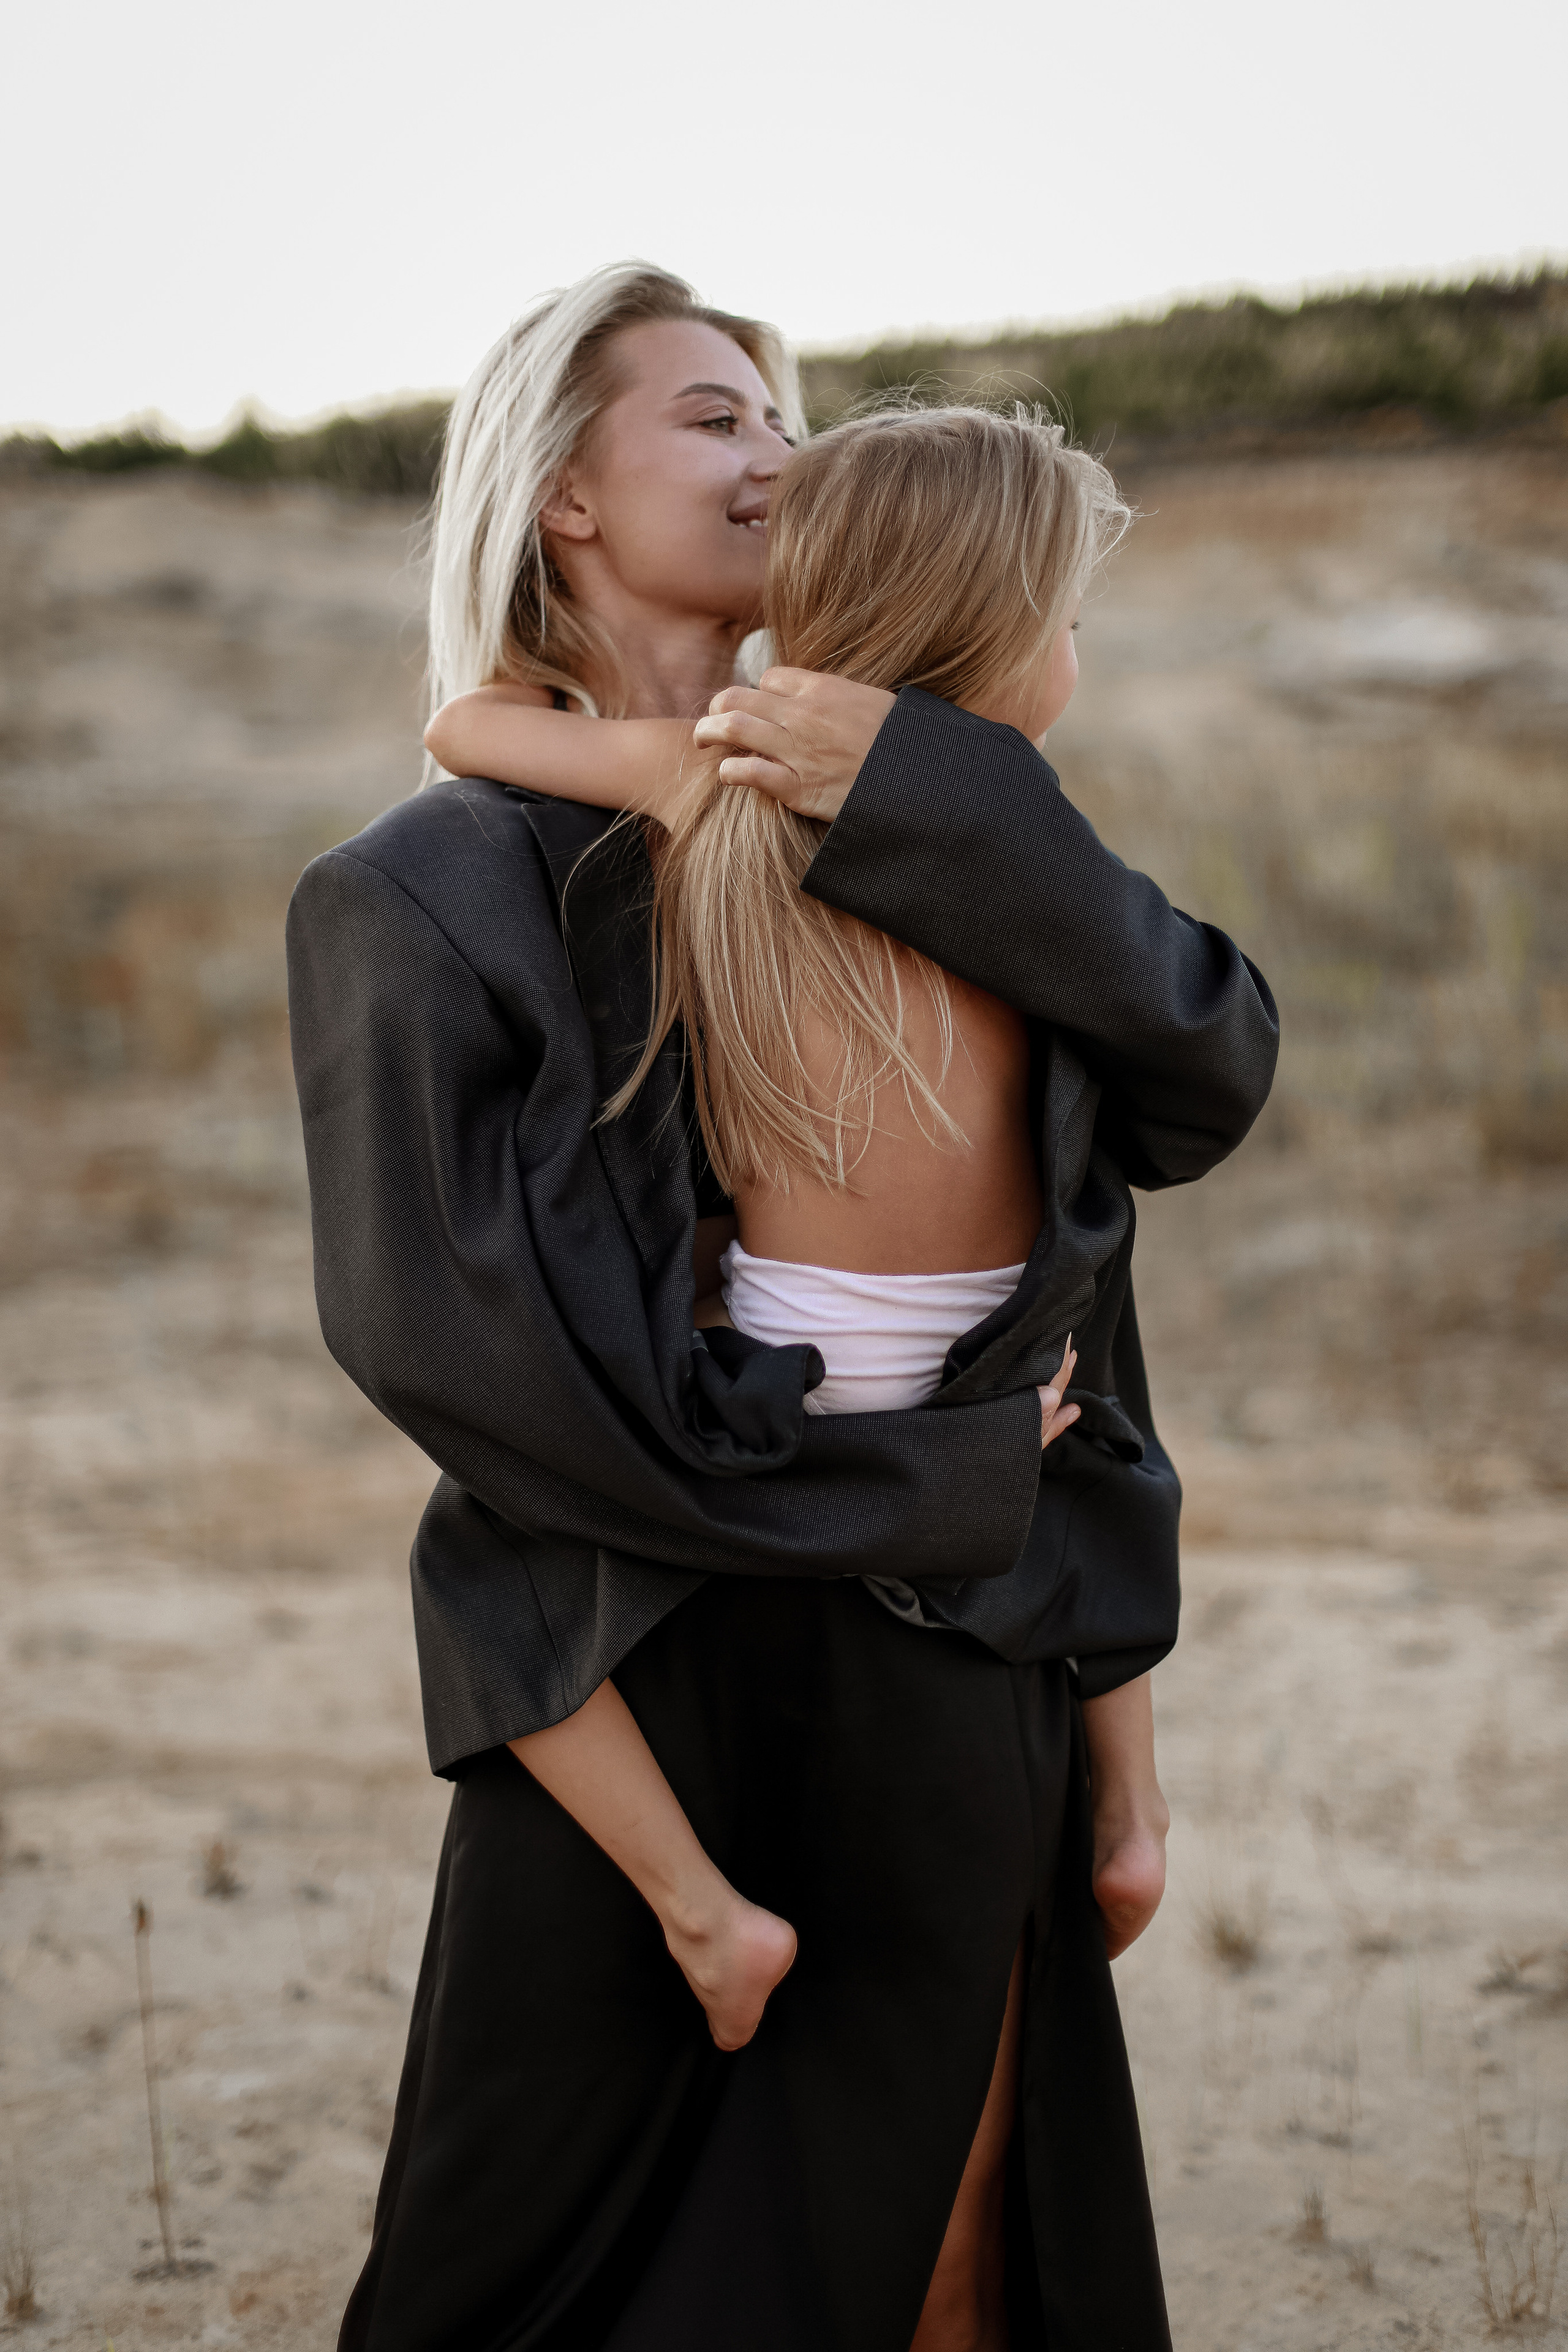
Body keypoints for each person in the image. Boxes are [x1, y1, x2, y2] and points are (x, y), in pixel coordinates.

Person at [287, 263, 1279, 2352]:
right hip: (649, 1655)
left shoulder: (919, 829)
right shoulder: (416, 893)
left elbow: (1151, 1155)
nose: (783, 451)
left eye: (789, 417)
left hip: (963, 1642)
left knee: (960, 2246)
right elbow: (456, 1358)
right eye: (722, 414)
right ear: (563, 492)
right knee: (534, 2264)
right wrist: (905, 1489)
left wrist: (1113, 1701)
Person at [420, 401, 1167, 2065]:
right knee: (1103, 1446)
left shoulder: (714, 782)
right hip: (997, 1378)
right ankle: (1132, 1809)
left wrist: (518, 700)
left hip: (789, 1379)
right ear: (999, 635)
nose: (1073, 657)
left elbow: (466, 729)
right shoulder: (1011, 855)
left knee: (495, 1564)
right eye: (1067, 621)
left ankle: (703, 1906)